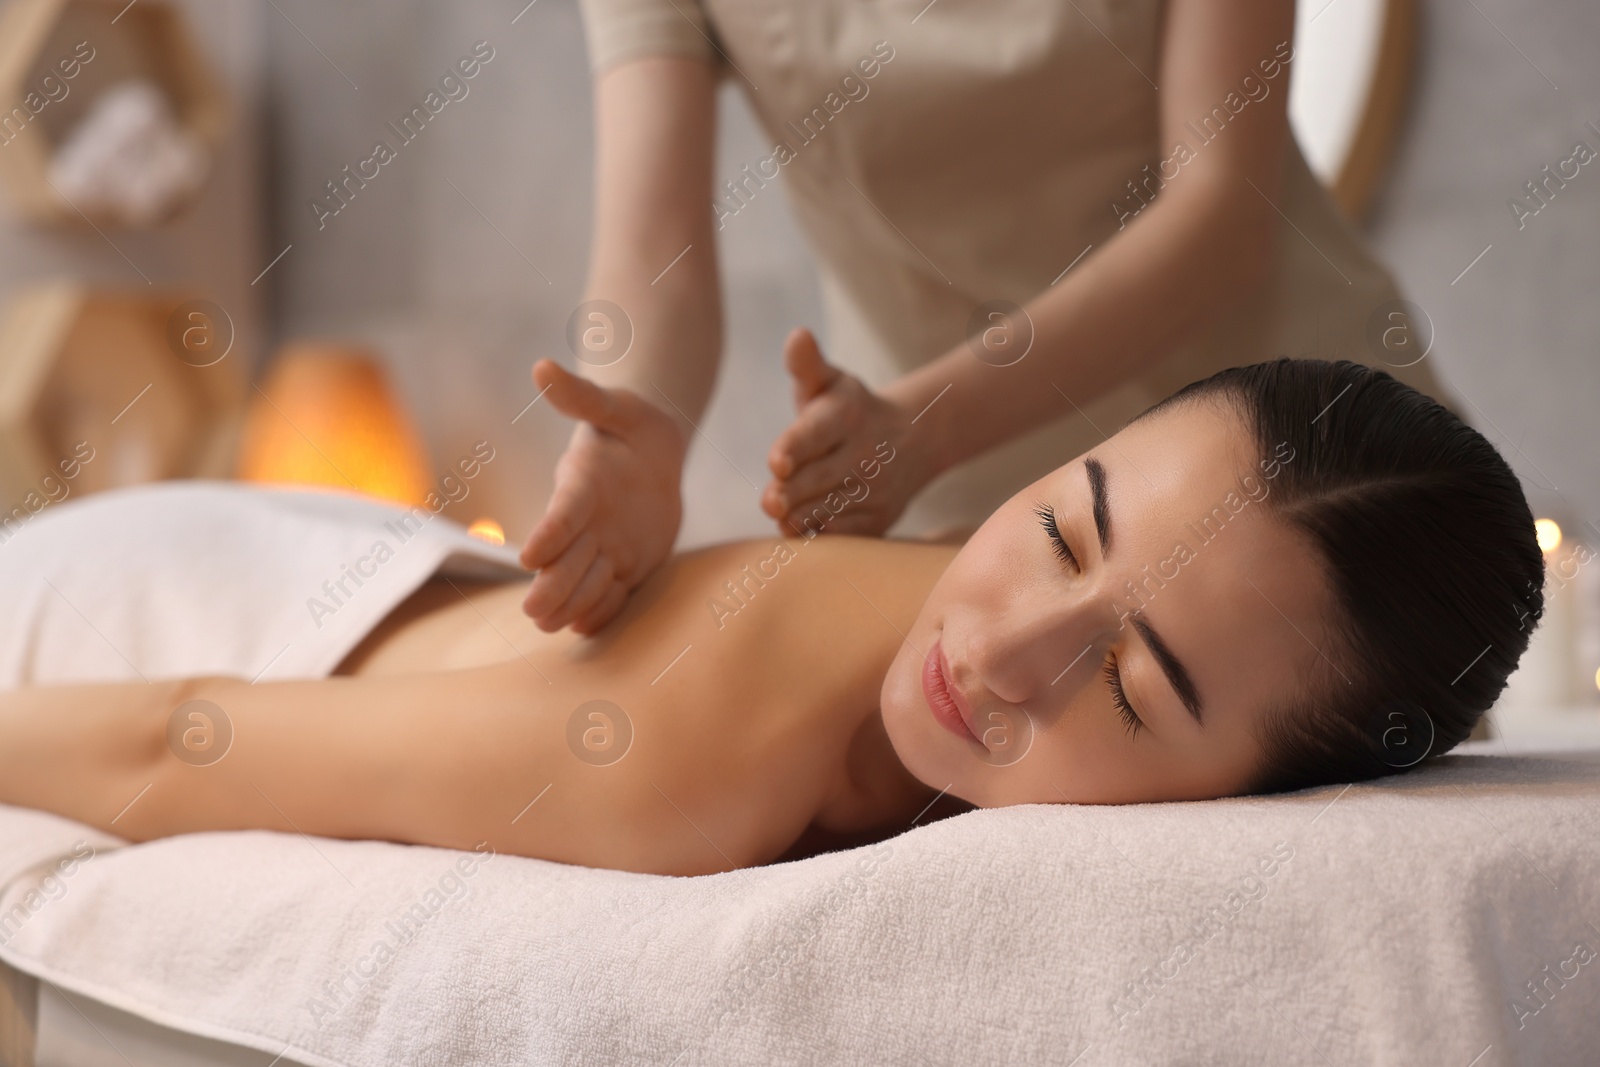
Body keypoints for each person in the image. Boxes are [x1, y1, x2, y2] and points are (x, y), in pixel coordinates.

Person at [0, 360, 1541, 876]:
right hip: (123, 617)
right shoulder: (686, 750)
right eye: (1064, 523)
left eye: (1132, 685)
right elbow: (171, 734)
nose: (995, 647)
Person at [518, 0, 1451, 635]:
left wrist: (929, 424)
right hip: (971, 518)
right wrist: (643, 423)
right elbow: (655, 248)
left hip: (1305, 467)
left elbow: (1221, 217)